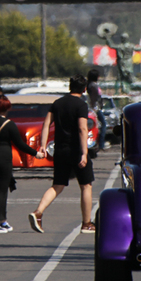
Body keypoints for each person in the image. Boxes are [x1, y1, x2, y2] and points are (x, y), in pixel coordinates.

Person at [29, 74, 95, 234]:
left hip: (60, 150)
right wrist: (85, 153)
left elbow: (45, 124)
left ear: (70, 86)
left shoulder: (57, 103)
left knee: (57, 185)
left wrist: (43, 146)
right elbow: (82, 129)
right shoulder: (81, 105)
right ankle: (86, 223)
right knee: (86, 185)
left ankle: (38, 212)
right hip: (76, 150)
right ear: (84, 89)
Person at [0, 94, 44, 233]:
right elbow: (20, 144)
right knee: (0, 192)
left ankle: (3, 220)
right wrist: (35, 153)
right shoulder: (9, 124)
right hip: (3, 160)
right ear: (7, 109)